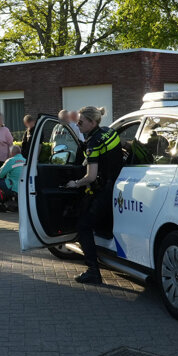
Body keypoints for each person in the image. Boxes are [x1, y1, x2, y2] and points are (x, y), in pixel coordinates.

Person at [64, 105, 123, 284]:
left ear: (91, 122)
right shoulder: (109, 132)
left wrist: (75, 183)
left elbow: (90, 176)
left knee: (83, 226)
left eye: (81, 122)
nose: (78, 124)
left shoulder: (93, 142)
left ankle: (93, 271)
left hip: (106, 189)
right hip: (118, 185)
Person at [0, 145, 25, 212]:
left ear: (11, 153)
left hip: (14, 188)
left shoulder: (11, 160)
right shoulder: (26, 160)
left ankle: (0, 205)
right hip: (24, 189)